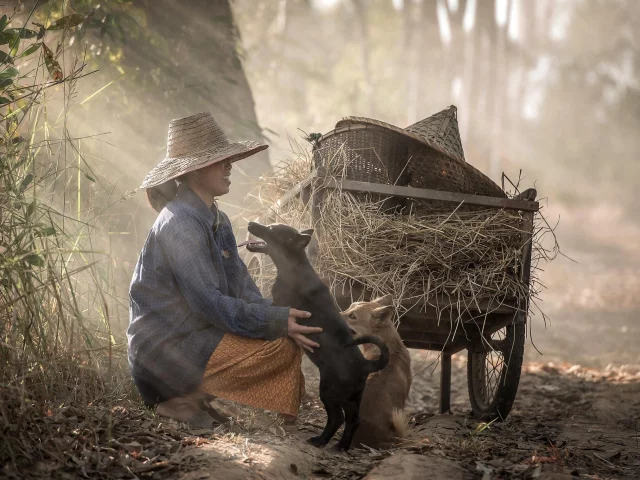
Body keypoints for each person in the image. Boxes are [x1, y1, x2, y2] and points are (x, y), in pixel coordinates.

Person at [127, 112, 322, 428]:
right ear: (194, 171)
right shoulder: (180, 224)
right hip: (164, 351)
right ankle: (176, 400)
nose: (229, 166)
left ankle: (198, 396)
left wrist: (287, 315)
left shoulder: (217, 219)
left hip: (196, 336)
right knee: (278, 343)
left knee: (286, 340)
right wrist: (275, 322)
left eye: (229, 159)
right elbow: (208, 302)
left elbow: (243, 290)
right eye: (220, 161)